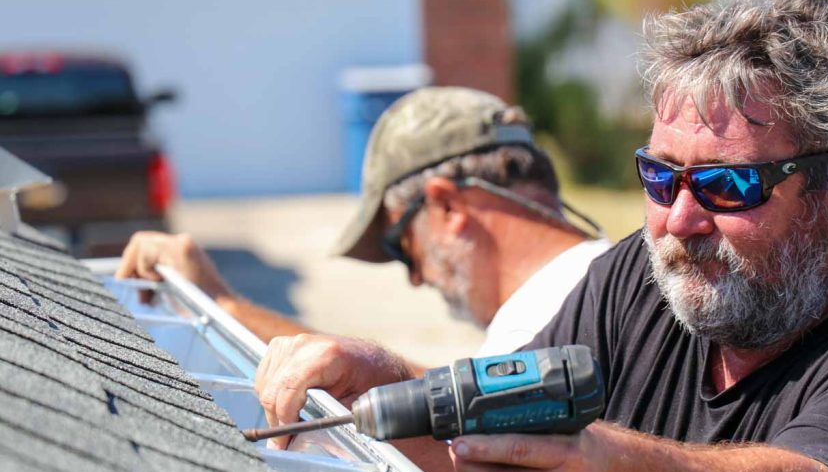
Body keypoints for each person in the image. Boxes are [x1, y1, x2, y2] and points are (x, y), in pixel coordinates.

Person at [255, 0, 828, 472]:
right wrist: (380, 389)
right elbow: (496, 457)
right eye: (661, 178)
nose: (680, 221)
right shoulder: (644, 279)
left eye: (729, 185)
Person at [116, 86, 611, 356]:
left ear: (447, 207)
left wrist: (223, 305)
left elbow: (451, 444)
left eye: (401, 245)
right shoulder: (613, 283)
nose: (416, 279)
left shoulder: (551, 316)